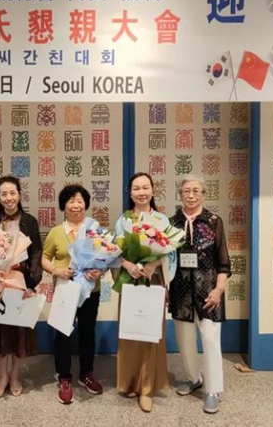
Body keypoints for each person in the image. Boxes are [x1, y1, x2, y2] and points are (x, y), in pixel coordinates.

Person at [113, 172, 176, 413]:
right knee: (130, 332)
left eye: (145, 187)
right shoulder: (123, 220)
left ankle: (147, 388)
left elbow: (171, 251)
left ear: (152, 190)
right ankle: (129, 382)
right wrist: (127, 264)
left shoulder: (161, 219)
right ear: (130, 193)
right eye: (136, 188)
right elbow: (114, 250)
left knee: (150, 334)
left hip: (153, 281)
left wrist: (154, 263)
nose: (141, 192)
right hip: (130, 281)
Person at [169, 175, 231, 414]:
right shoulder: (172, 223)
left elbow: (223, 261)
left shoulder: (214, 221)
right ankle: (193, 378)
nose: (191, 195)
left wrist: (218, 290)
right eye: (186, 191)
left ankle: (213, 389)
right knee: (185, 341)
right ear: (180, 194)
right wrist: (166, 289)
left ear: (203, 195)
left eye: (196, 191)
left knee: (211, 340)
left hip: (208, 292)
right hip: (180, 291)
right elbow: (166, 260)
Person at [0, 176, 43, 400]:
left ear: (19, 194)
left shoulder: (30, 221)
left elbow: (36, 254)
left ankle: (15, 376)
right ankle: (2, 377)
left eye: (12, 193)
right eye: (4, 194)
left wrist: (31, 284)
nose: (9, 198)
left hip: (20, 283)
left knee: (18, 333)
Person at [41, 184, 104, 404]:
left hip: (90, 291)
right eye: (70, 201)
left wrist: (100, 271)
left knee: (88, 332)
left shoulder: (95, 230)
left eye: (79, 201)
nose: (75, 205)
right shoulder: (56, 232)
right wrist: (56, 270)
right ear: (64, 206)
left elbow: (105, 257)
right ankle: (64, 377)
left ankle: (86, 374)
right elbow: (44, 258)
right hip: (65, 290)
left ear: (86, 204)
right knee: (63, 334)